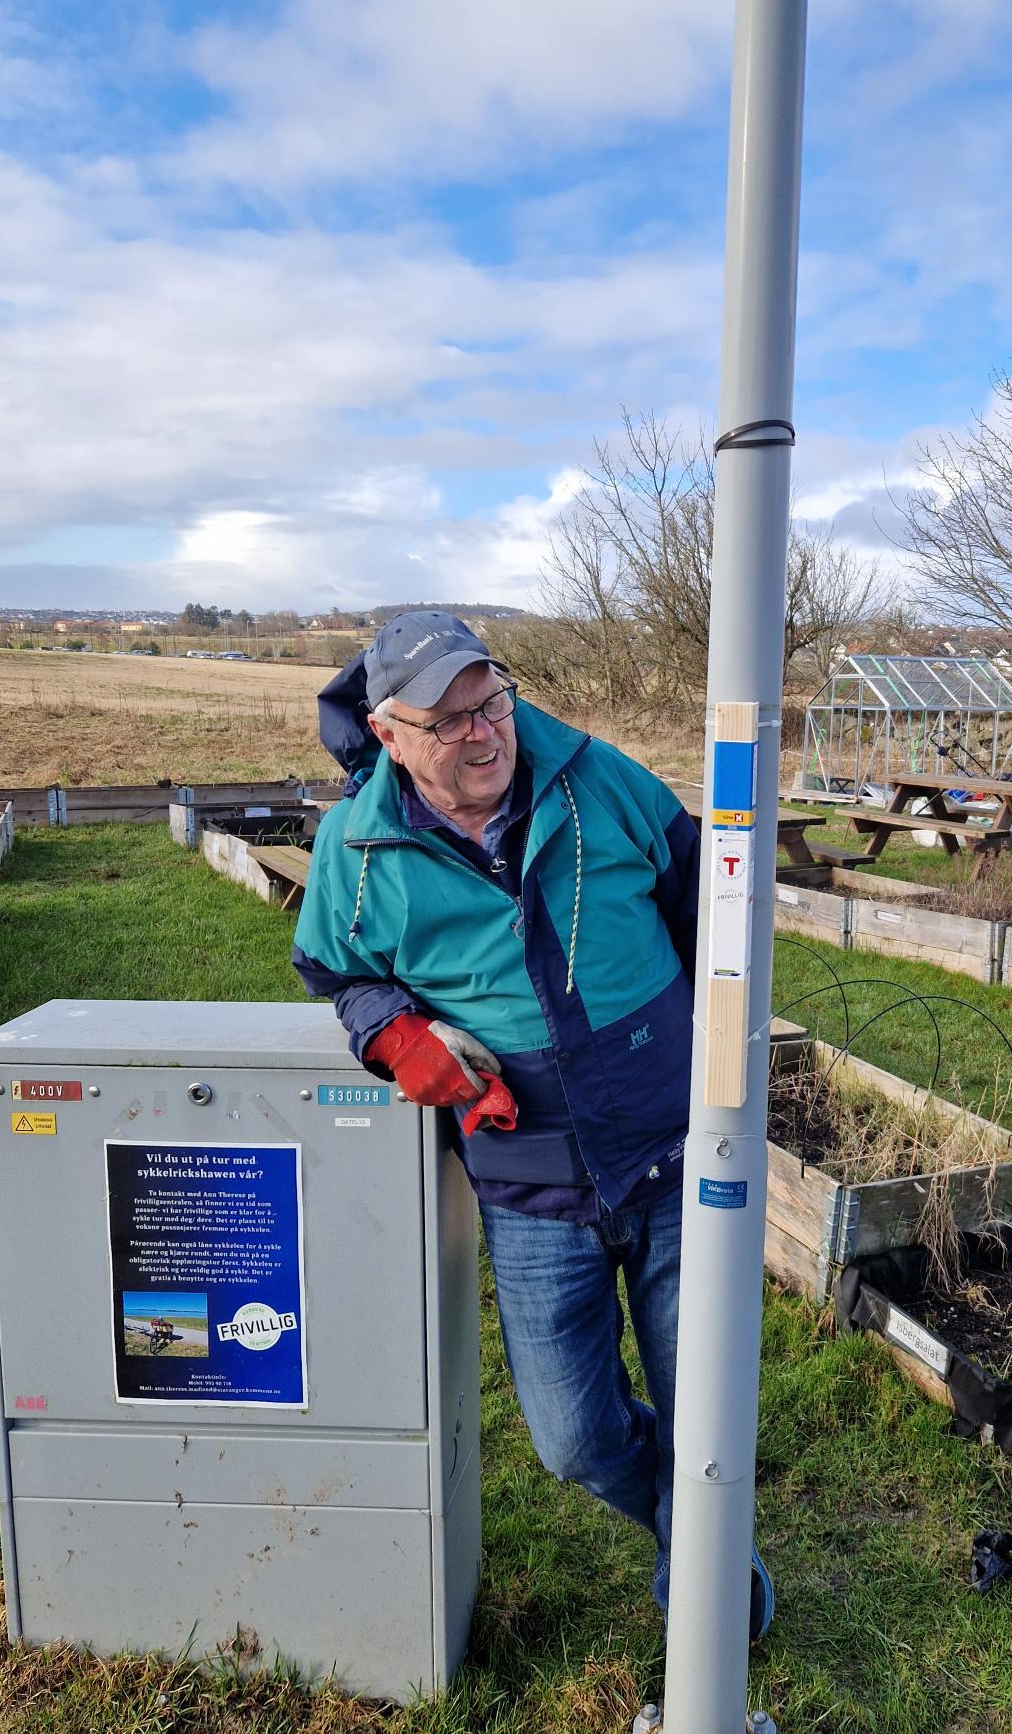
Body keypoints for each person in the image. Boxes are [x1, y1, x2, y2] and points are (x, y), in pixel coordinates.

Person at [292, 610, 772, 1636]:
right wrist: (397, 1034)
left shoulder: (604, 782)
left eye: (492, 700)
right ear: (388, 733)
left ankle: (711, 1592)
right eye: (450, 717)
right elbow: (337, 969)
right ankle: (694, 1529)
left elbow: (711, 911)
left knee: (709, 1412)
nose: (482, 731)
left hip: (677, 1160)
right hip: (532, 1182)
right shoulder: (358, 847)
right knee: (571, 1436)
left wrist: (712, 1055)